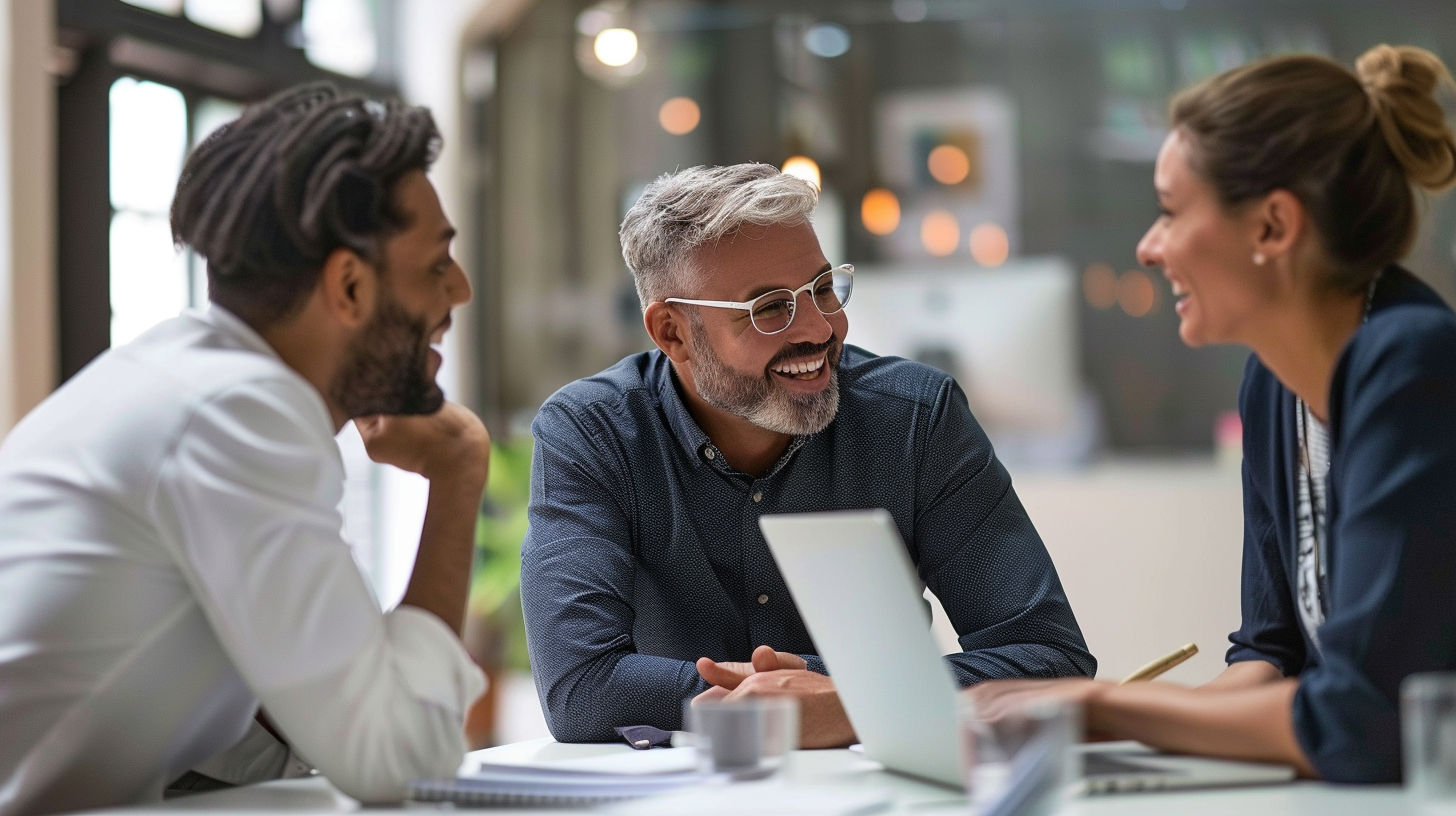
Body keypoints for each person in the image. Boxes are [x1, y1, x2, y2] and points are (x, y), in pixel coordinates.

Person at [971, 45, 1456, 783]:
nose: (1148, 247)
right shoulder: (1272, 384)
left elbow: (1358, 721)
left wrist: (1097, 706)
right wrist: (1077, 731)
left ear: (1272, 227)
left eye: (1169, 211)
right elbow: (1269, 660)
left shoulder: (1411, 363)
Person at [0, 84, 490, 814]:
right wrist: (458, 469)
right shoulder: (239, 413)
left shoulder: (188, 380)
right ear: (349, 287)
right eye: (434, 267)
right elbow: (399, 760)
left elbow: (320, 718)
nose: (460, 290)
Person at [520, 163, 1096, 747]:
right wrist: (814, 700)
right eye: (769, 307)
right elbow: (581, 690)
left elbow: (1051, 660)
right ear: (673, 332)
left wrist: (844, 704)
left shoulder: (916, 417)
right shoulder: (593, 432)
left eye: (823, 289)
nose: (820, 329)